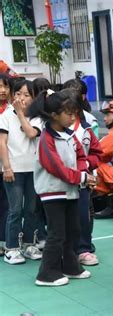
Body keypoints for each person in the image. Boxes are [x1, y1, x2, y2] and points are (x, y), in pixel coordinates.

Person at [30, 89, 96, 286]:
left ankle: (69, 266)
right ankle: (46, 273)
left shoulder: (69, 134)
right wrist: (82, 177)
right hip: (52, 192)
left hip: (70, 190)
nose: (72, 117)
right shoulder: (46, 139)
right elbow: (57, 168)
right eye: (68, 113)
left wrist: (85, 172)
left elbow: (81, 156)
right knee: (57, 233)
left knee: (72, 230)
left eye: (74, 113)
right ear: (54, 115)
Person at [0, 80, 44, 264]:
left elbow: (31, 134)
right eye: (18, 94)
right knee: (15, 210)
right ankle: (11, 248)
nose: (21, 98)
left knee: (31, 210)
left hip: (33, 170)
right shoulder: (5, 116)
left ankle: (29, 245)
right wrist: (7, 168)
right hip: (14, 170)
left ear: (34, 98)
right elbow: (2, 143)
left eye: (27, 95)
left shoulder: (37, 118)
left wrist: (21, 114)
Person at [61, 88, 102, 266]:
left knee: (82, 216)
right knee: (61, 217)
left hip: (82, 181)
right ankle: (65, 250)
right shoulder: (54, 129)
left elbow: (96, 153)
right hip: (60, 181)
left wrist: (88, 166)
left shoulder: (85, 129)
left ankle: (84, 248)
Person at [0, 74, 11, 256]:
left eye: (5, 86)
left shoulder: (12, 110)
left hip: (8, 164)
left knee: (6, 204)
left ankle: (3, 240)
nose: (2, 90)